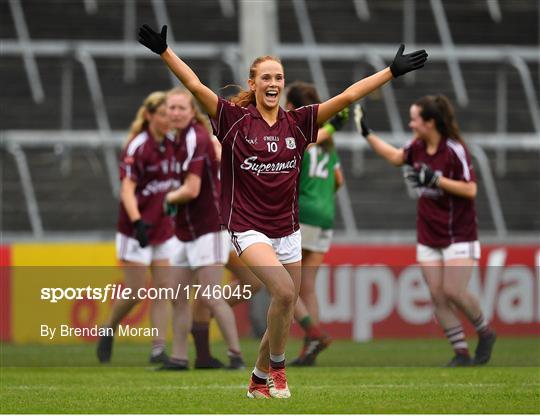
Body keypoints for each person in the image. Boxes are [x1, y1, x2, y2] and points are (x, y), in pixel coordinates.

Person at [138, 23, 427, 398]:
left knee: (283, 306)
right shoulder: (233, 120)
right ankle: (278, 371)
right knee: (286, 293)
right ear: (253, 83)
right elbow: (195, 86)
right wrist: (165, 52)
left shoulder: (299, 121)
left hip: (288, 230)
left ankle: (258, 378)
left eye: (279, 77)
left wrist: (391, 72)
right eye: (266, 77)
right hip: (247, 227)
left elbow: (347, 96)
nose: (273, 82)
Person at [354, 96, 496, 367]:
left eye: (415, 119)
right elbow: (396, 157)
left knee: (453, 290)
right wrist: (367, 134)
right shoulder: (416, 147)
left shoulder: (454, 149)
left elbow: (471, 189)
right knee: (436, 294)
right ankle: (461, 352)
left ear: (430, 123)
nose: (411, 123)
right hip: (429, 233)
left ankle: (485, 332)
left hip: (458, 232)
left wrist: (436, 180)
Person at [161, 87, 245, 370]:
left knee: (211, 296)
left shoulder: (197, 138)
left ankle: (236, 356)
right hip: (186, 231)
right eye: (171, 108)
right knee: (178, 296)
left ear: (191, 111)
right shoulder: (175, 140)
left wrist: (168, 198)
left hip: (210, 229)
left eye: (181, 108)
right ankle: (180, 358)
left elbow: (192, 188)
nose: (175, 113)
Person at [97, 91, 177, 364]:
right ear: (149, 116)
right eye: (163, 115)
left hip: (163, 228)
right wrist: (137, 222)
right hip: (136, 228)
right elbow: (127, 190)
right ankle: (108, 328)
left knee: (164, 288)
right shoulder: (137, 146)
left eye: (170, 115)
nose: (168, 119)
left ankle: (158, 349)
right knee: (135, 291)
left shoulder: (170, 144)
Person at [285, 81, 345, 366]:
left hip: (303, 214)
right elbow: (338, 181)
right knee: (307, 286)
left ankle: (314, 332)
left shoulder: (300, 135)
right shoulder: (328, 143)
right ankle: (309, 350)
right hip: (326, 216)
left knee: (284, 282)